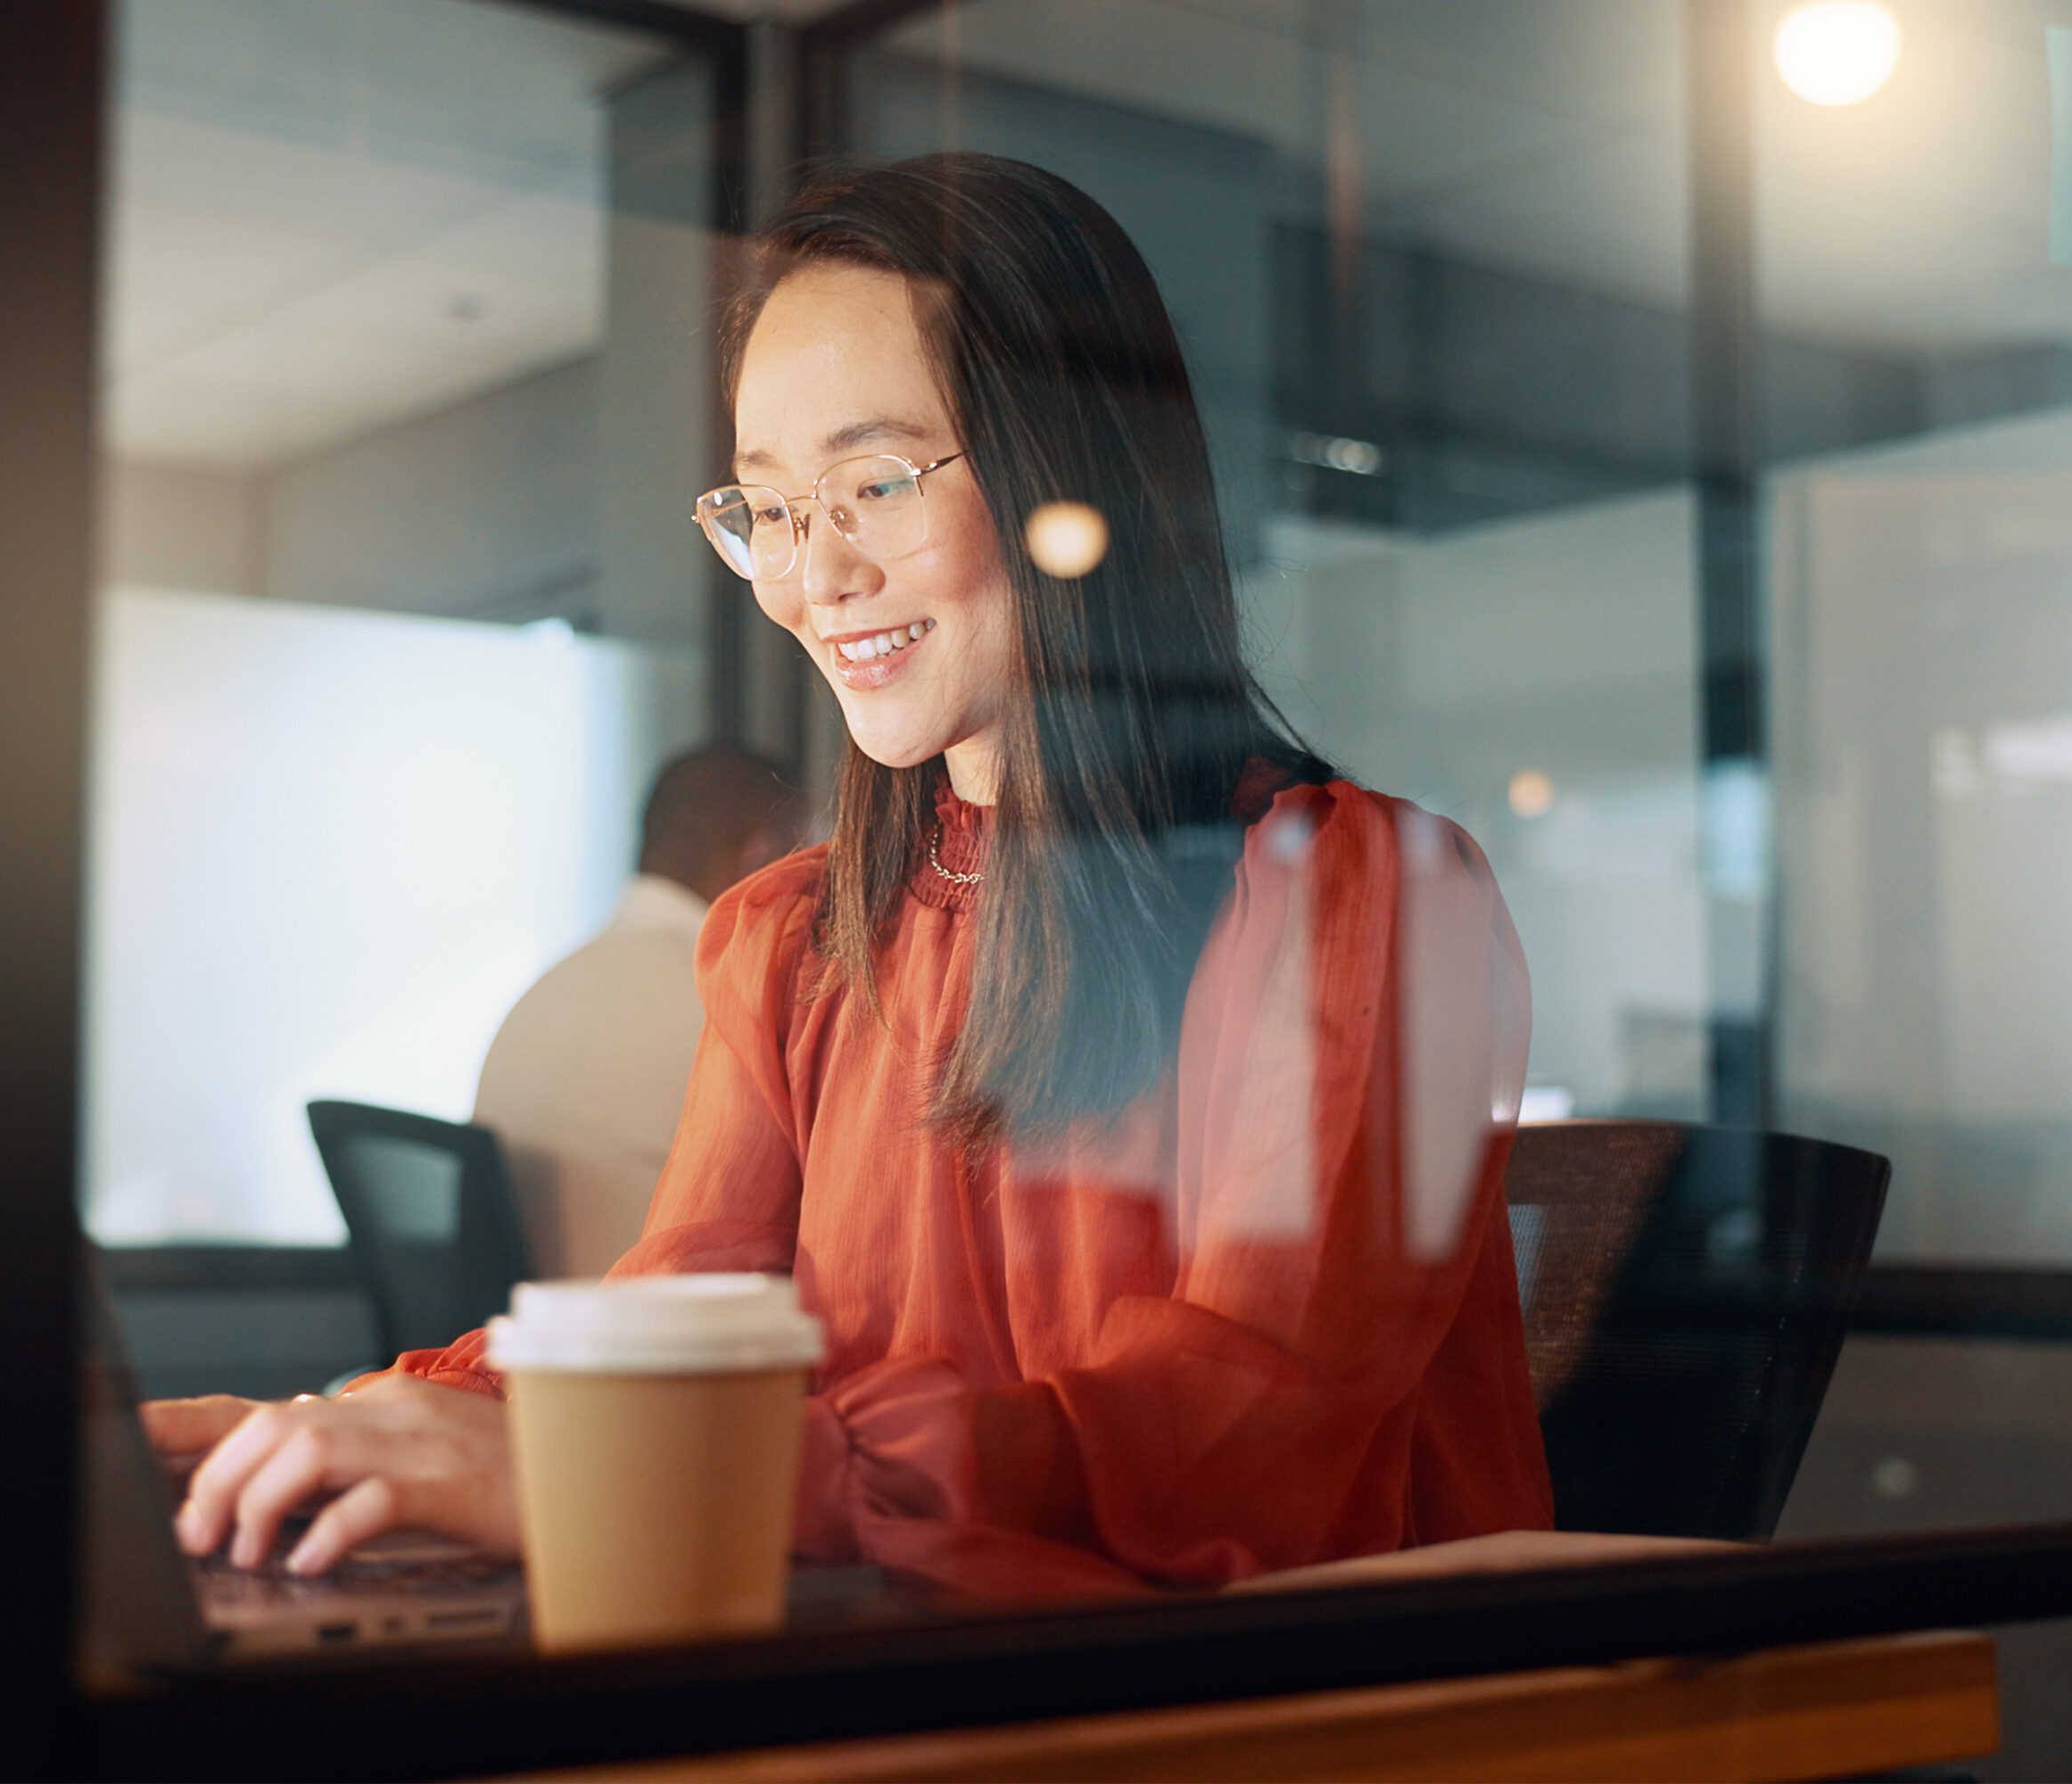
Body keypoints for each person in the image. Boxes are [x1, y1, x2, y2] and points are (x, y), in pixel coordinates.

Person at [145, 153, 1553, 1600]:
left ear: (1068, 476)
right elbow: (671, 1324)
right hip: (905, 1679)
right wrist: (349, 1425)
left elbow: (1233, 1452)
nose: (813, 574)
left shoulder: (1354, 895)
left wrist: (641, 1476)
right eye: (768, 505)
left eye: (872, 481)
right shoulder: (794, 942)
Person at [473, 746, 805, 1277]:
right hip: (652, 1342)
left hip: (531, 1340)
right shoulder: (725, 1011)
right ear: (759, 860)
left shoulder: (537, 998)